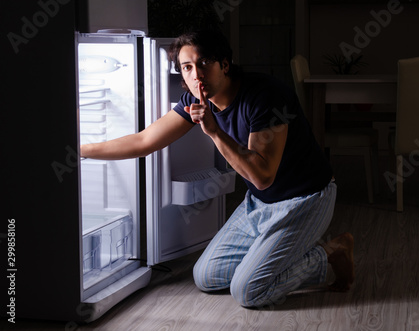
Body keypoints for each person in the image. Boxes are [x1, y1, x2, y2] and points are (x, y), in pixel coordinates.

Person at [80, 29, 354, 308]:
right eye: (187, 67)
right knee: (206, 277)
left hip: (305, 199)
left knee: (250, 292)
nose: (196, 75)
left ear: (224, 64)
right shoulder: (195, 101)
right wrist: (79, 149)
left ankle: (331, 250)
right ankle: (269, 256)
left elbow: (262, 177)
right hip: (259, 205)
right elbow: (144, 141)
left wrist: (213, 131)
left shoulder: (265, 95)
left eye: (203, 63)